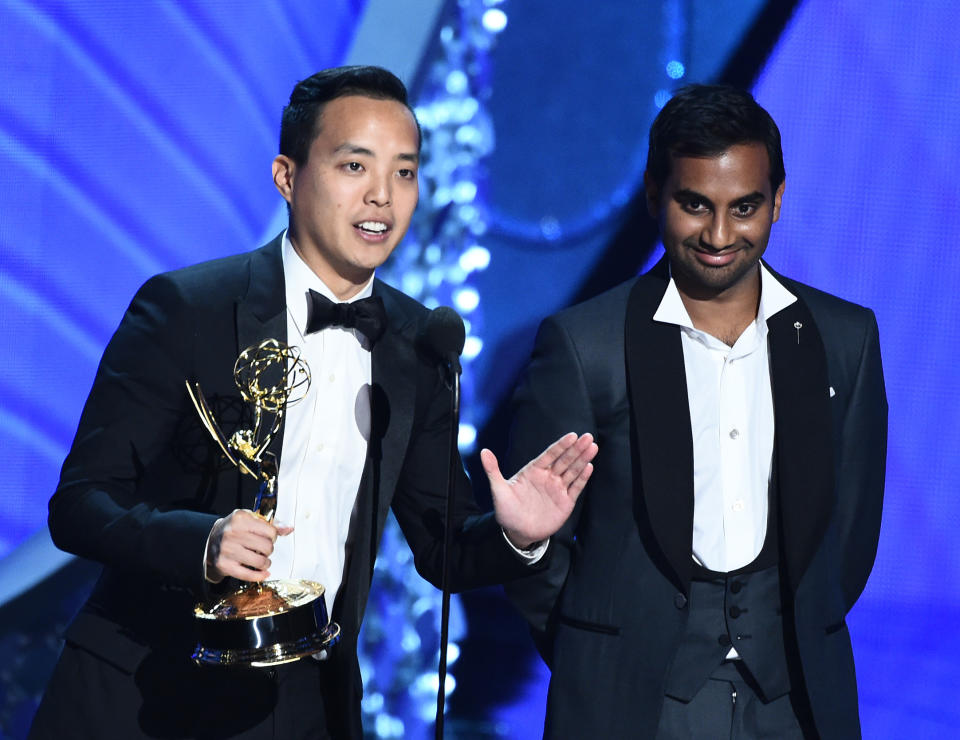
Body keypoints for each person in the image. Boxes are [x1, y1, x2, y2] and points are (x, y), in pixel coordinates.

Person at [29, 66, 597, 740]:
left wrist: (516, 536)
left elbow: (443, 551)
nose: (382, 196)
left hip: (306, 707)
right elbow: (81, 505)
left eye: (405, 172)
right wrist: (200, 542)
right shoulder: (187, 309)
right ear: (287, 177)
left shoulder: (420, 345)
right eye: (355, 165)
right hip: (150, 691)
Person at [504, 84, 886, 739]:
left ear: (778, 200)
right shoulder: (583, 344)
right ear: (655, 195)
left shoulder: (842, 339)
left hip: (794, 700)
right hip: (632, 705)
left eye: (745, 208)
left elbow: (847, 540)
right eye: (694, 205)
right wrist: (602, 650)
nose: (719, 234)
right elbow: (535, 531)